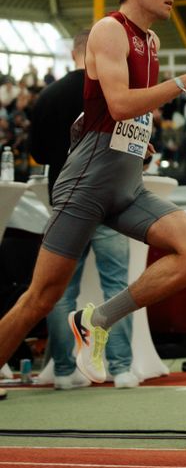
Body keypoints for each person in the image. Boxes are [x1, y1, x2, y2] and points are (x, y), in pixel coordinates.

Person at [0, 0, 186, 386]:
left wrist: (141, 139)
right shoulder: (109, 30)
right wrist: (181, 84)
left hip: (125, 183)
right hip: (86, 184)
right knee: (40, 299)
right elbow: (118, 104)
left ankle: (96, 320)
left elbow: (122, 113)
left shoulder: (151, 41)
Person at [27, 29, 136, 387]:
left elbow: (38, 154)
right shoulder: (116, 91)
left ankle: (63, 371)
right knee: (117, 285)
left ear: (73, 51)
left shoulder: (48, 96)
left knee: (58, 291)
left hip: (67, 202)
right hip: (108, 201)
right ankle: (122, 369)